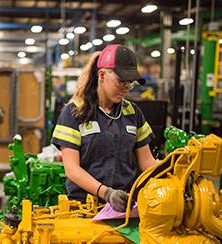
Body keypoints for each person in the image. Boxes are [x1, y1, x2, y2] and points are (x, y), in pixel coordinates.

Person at [51, 44, 158, 212]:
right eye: (121, 81)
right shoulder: (74, 112)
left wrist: (173, 175)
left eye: (129, 83)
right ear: (102, 75)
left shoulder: (132, 113)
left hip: (124, 206)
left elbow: (147, 162)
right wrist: (107, 193)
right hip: (83, 208)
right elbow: (72, 169)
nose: (125, 88)